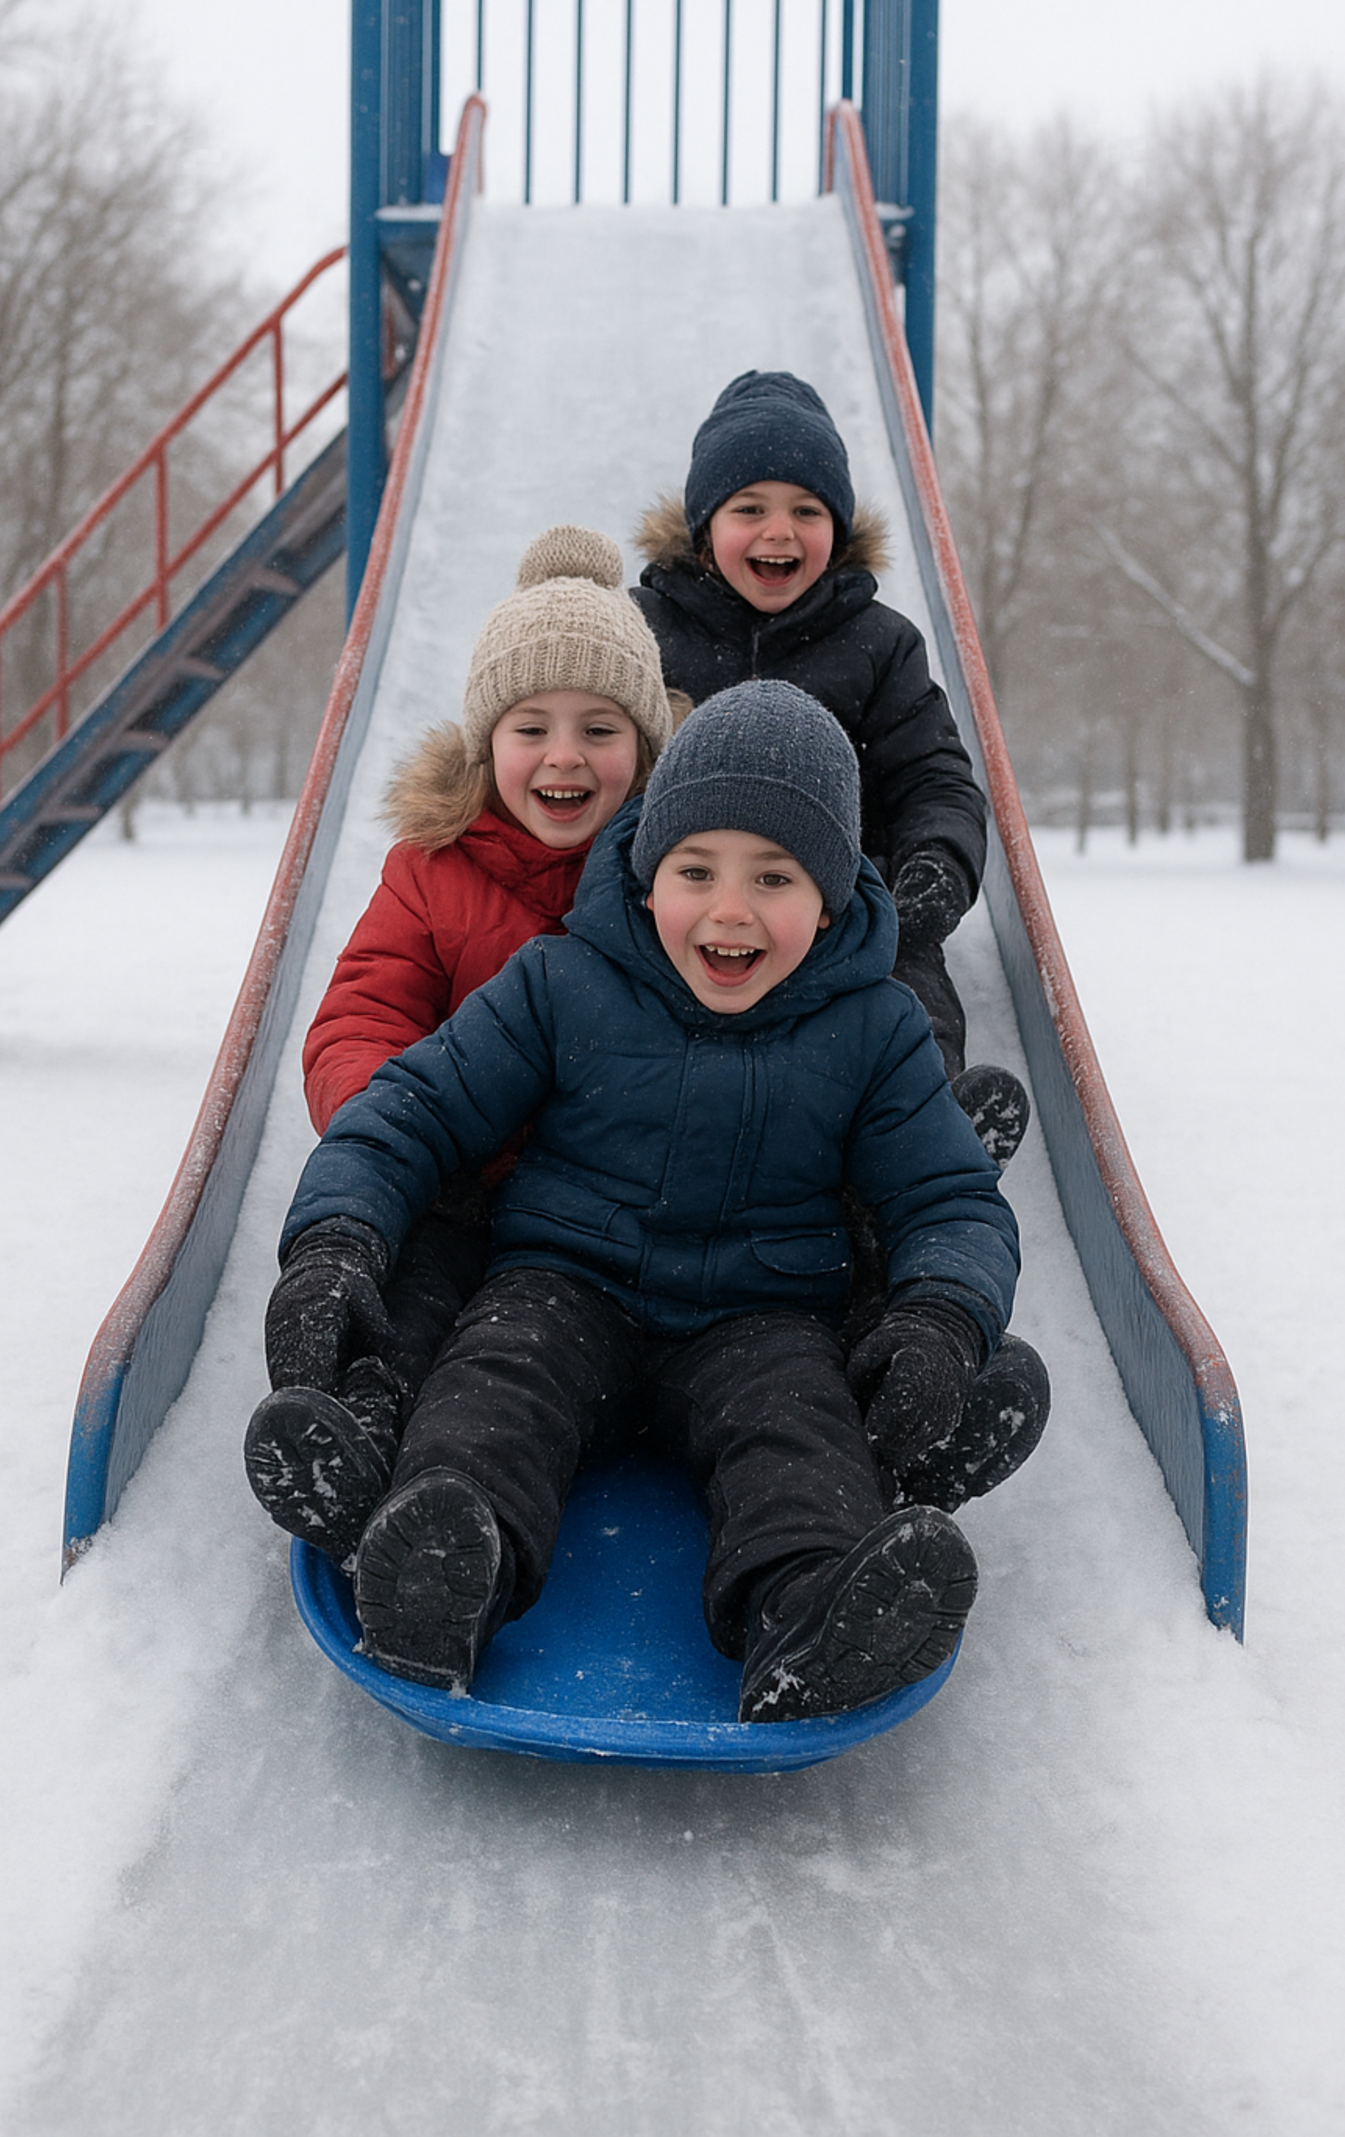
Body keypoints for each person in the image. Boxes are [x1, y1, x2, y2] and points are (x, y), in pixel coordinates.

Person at [272, 682, 1029, 1724]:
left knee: (798, 1440)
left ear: (832, 897)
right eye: (695, 870)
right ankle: (444, 1576)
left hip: (760, 1315)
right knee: (493, 1394)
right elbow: (413, 1109)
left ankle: (808, 1618)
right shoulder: (561, 980)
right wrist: (336, 1240)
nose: (728, 909)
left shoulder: (878, 1028)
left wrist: (943, 1317)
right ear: (644, 867)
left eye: (773, 876)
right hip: (563, 1282)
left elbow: (950, 1197)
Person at [242, 526, 677, 1570]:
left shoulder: (683, 882)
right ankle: (359, 1435)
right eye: (532, 726)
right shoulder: (431, 874)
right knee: (418, 1294)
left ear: (651, 750)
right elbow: (359, 1019)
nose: (564, 756)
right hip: (463, 1179)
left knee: (521, 1351)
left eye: (601, 727)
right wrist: (401, 1128)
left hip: (608, 1210)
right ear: (487, 747)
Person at [632, 368, 1029, 1167]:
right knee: (621, 1001)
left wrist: (934, 867)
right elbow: (606, 755)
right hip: (681, 899)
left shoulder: (879, 645)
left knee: (903, 994)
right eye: (750, 509)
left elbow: (935, 779)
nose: (779, 533)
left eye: (806, 512)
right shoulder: (642, 632)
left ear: (837, 530)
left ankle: (926, 1138)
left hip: (845, 900)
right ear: (705, 523)